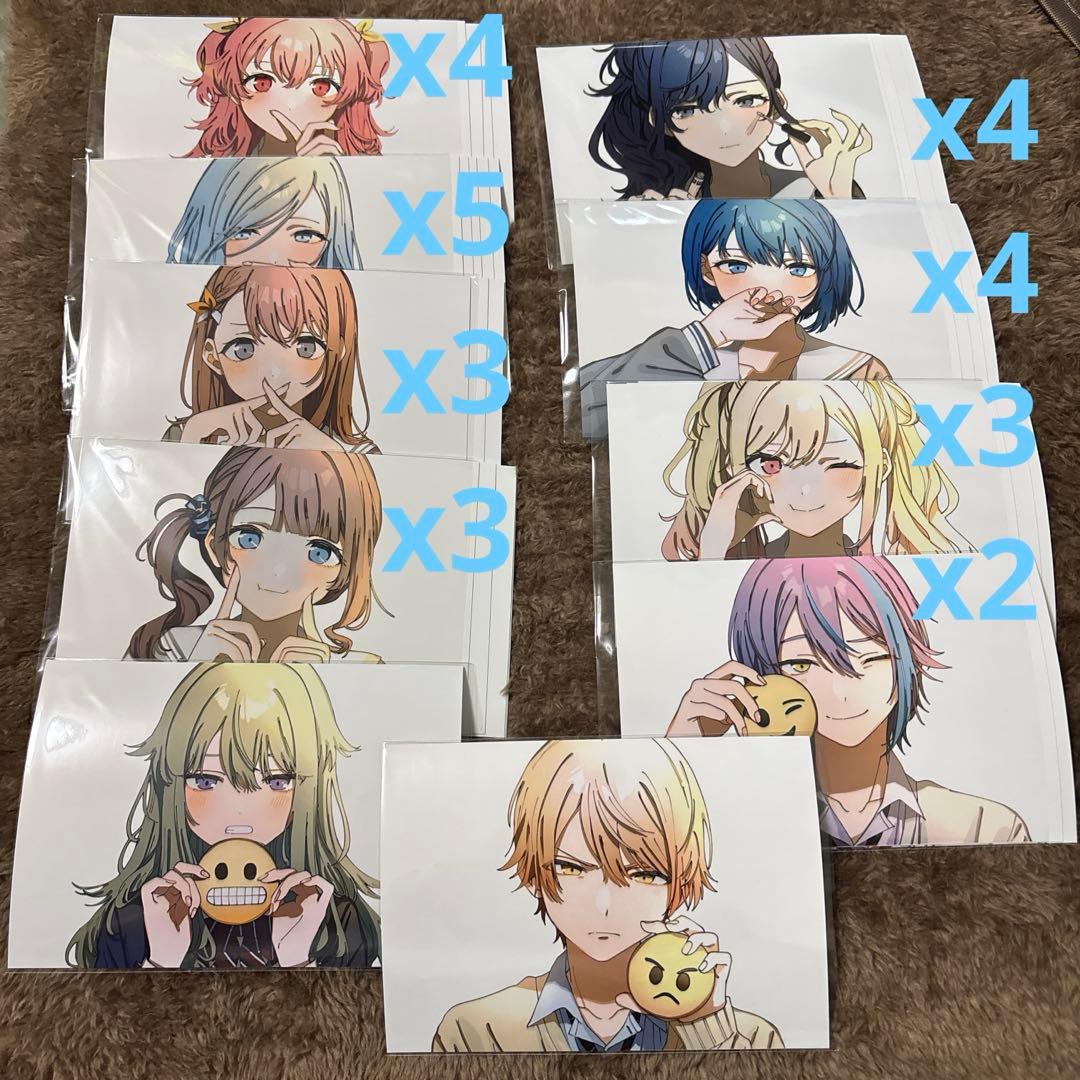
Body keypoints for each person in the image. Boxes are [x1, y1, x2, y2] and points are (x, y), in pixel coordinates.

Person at [433, 739, 782, 1051]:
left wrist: (708, 1030)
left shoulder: (749, 1039)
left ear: (679, 881)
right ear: (535, 874)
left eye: (644, 874)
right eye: (571, 868)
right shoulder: (478, 1031)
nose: (604, 905)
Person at [667, 556, 1030, 847]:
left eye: (872, 658)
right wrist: (677, 760)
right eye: (802, 664)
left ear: (906, 662)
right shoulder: (728, 822)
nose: (841, 690)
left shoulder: (982, 827)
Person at [67, 662, 380, 968]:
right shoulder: (133, 919)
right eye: (205, 781)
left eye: (276, 782)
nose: (239, 815)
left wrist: (298, 960)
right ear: (171, 785)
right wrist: (163, 961)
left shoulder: (338, 919)